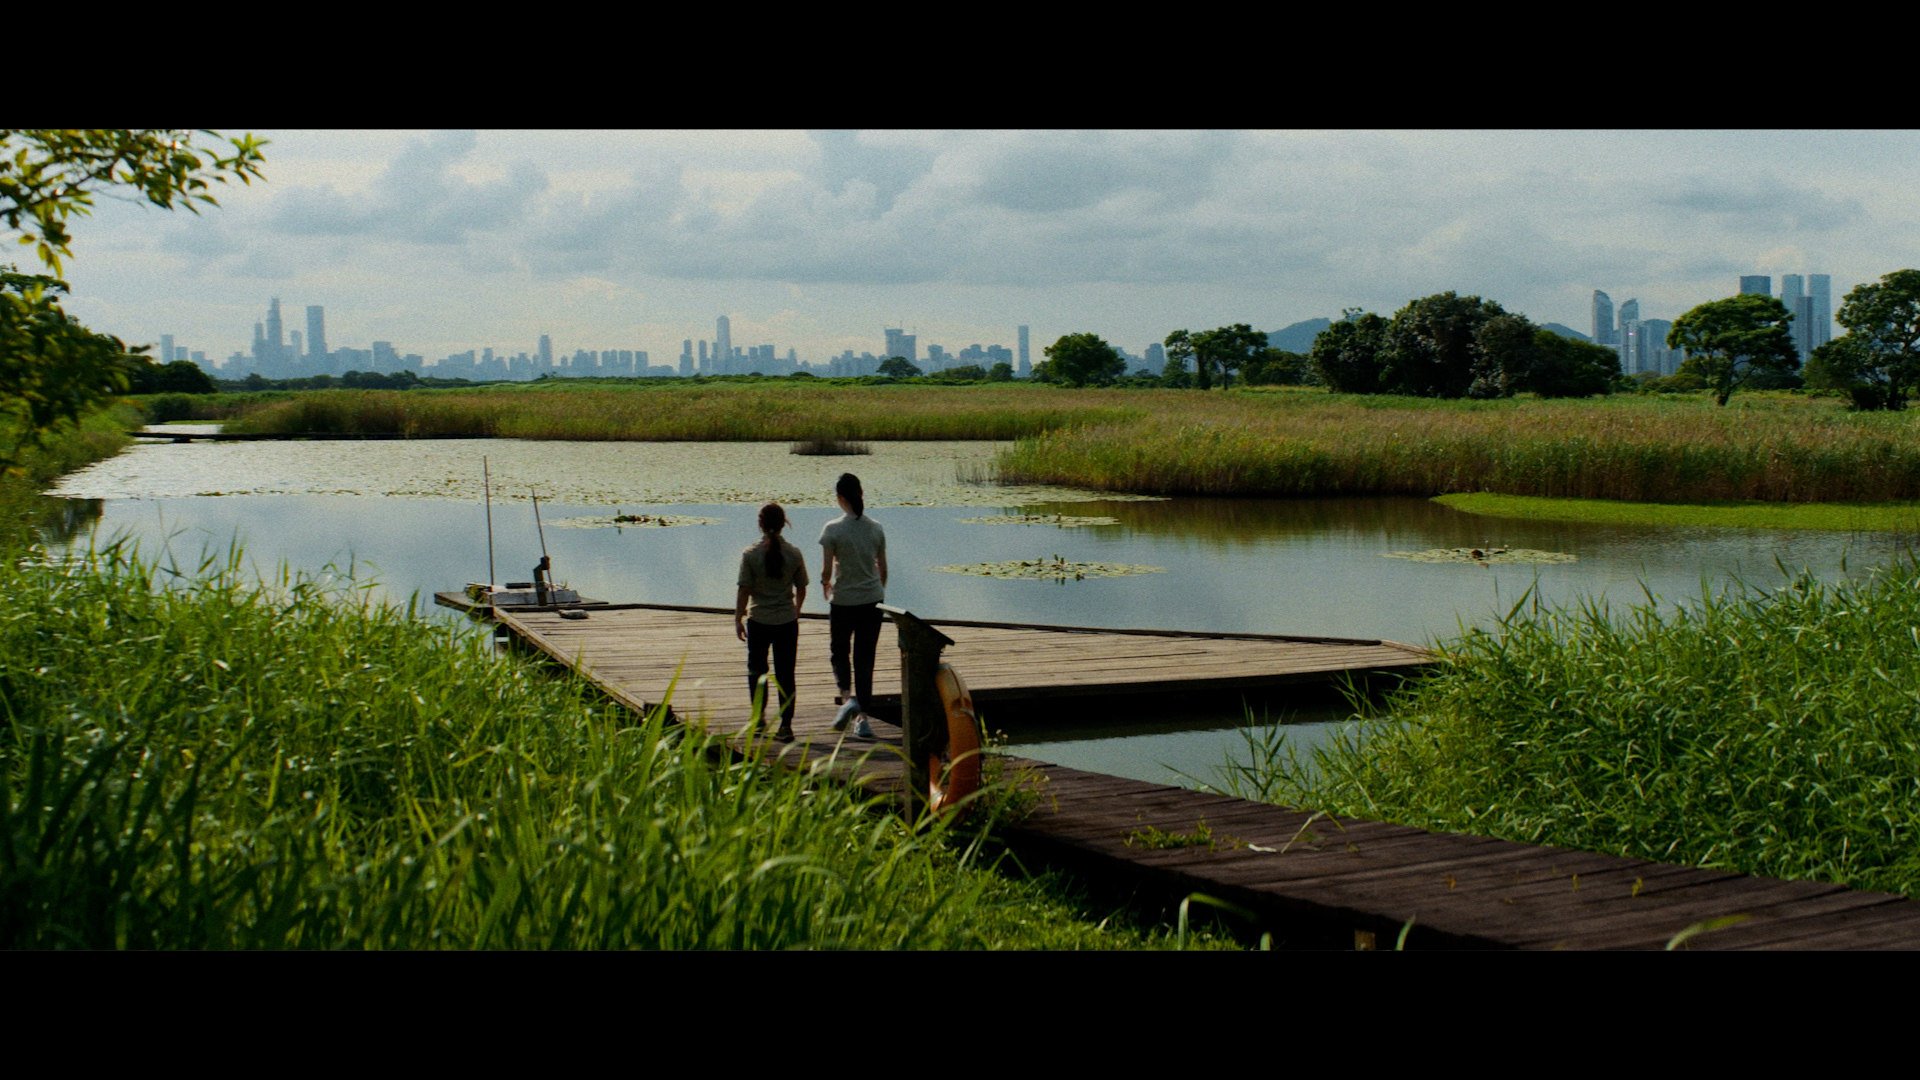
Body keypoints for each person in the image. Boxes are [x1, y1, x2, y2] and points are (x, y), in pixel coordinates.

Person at [819, 473, 887, 739]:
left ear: (840, 498)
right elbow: (883, 568)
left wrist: (825, 582)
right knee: (865, 658)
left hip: (844, 601)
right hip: (873, 600)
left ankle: (848, 699)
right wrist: (878, 592)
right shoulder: (876, 528)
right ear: (861, 493)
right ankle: (863, 721)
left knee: (839, 652)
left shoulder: (832, 529)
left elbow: (826, 571)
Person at [736, 502, 807, 742]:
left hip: (759, 620)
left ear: (760, 524)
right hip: (786, 621)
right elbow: (802, 587)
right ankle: (786, 726)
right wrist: (796, 610)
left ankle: (758, 720)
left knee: (757, 671)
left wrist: (738, 618)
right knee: (786, 673)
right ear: (783, 523)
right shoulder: (795, 553)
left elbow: (744, 590)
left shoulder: (750, 554)